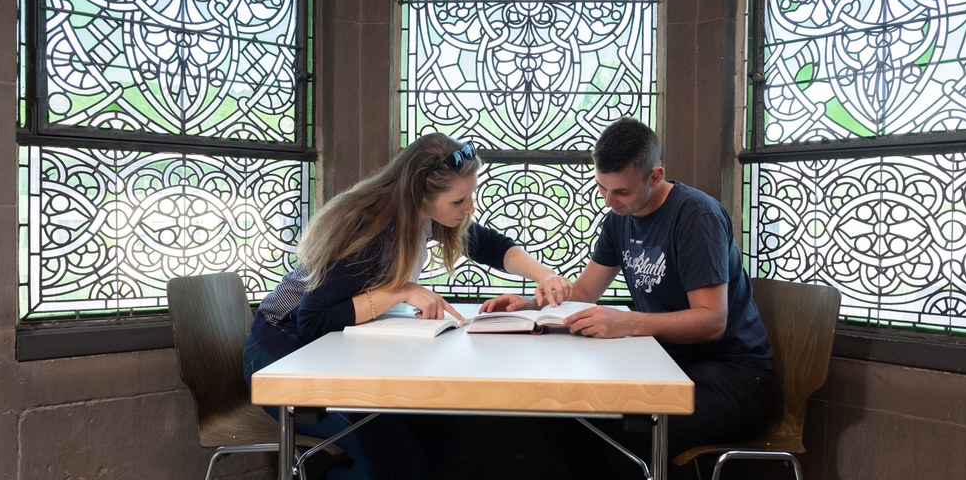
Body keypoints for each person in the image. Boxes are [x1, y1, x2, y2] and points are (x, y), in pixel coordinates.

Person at [243, 133, 572, 479]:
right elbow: (312, 320)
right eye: (459, 201)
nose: (469, 208)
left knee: (440, 438)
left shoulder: (423, 215)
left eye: (470, 196)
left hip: (330, 355)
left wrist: (543, 274)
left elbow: (487, 245)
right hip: (280, 357)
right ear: (420, 193)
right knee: (400, 465)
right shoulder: (370, 232)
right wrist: (400, 291)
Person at [481, 117, 775, 478]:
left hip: (736, 374)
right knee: (562, 415)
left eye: (620, 191)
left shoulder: (696, 216)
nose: (609, 201)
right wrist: (531, 304)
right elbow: (587, 292)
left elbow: (712, 321)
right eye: (602, 188)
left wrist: (627, 322)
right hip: (668, 364)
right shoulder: (620, 217)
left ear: (655, 175)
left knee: (628, 439)